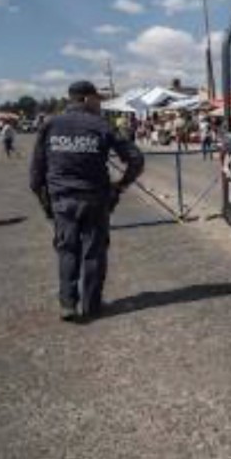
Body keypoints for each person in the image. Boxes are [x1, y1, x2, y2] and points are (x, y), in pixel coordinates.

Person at [30, 81, 144, 322]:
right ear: (84, 99)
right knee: (94, 252)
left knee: (67, 251)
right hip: (95, 199)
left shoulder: (50, 125)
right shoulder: (101, 125)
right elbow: (136, 159)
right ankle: (92, 305)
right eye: (97, 99)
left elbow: (35, 175)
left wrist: (46, 203)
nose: (100, 104)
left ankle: (68, 304)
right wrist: (121, 186)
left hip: (62, 198)